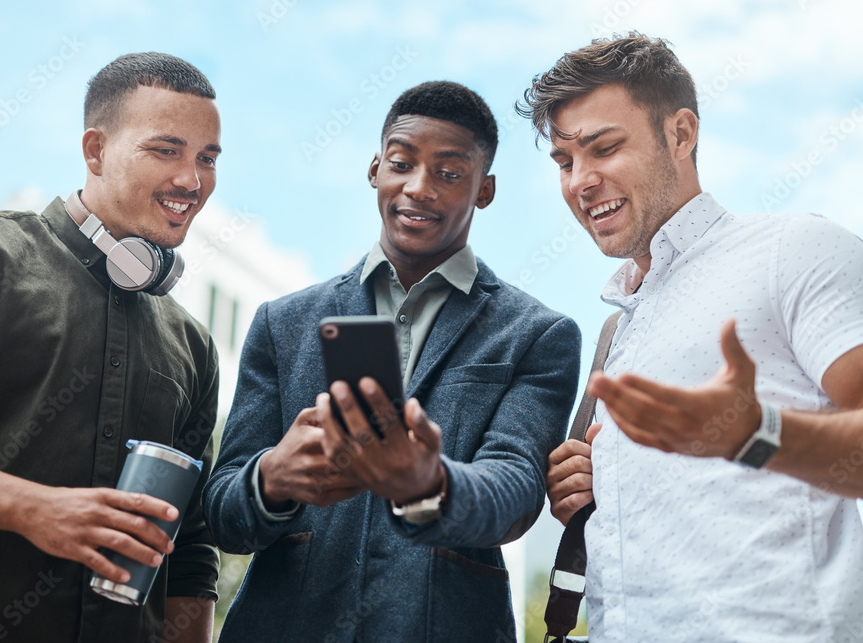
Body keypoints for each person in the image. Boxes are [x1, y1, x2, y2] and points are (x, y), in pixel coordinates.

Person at [520, 33, 863, 642]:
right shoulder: (616, 329)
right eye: (566, 162)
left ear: (680, 134)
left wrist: (760, 436)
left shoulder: (795, 250)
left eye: (604, 148)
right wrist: (598, 493)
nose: (581, 181)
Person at [203, 80, 582, 642]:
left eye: (450, 173)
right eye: (402, 163)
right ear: (375, 168)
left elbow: (518, 490)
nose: (419, 188)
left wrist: (430, 481)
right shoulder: (282, 323)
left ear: (485, 190)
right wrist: (272, 477)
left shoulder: (537, 334)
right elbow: (222, 511)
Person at [0, 52, 223, 643]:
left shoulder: (194, 346)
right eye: (167, 150)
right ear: (95, 150)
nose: (192, 179)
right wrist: (30, 508)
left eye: (207, 158)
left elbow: (189, 553)